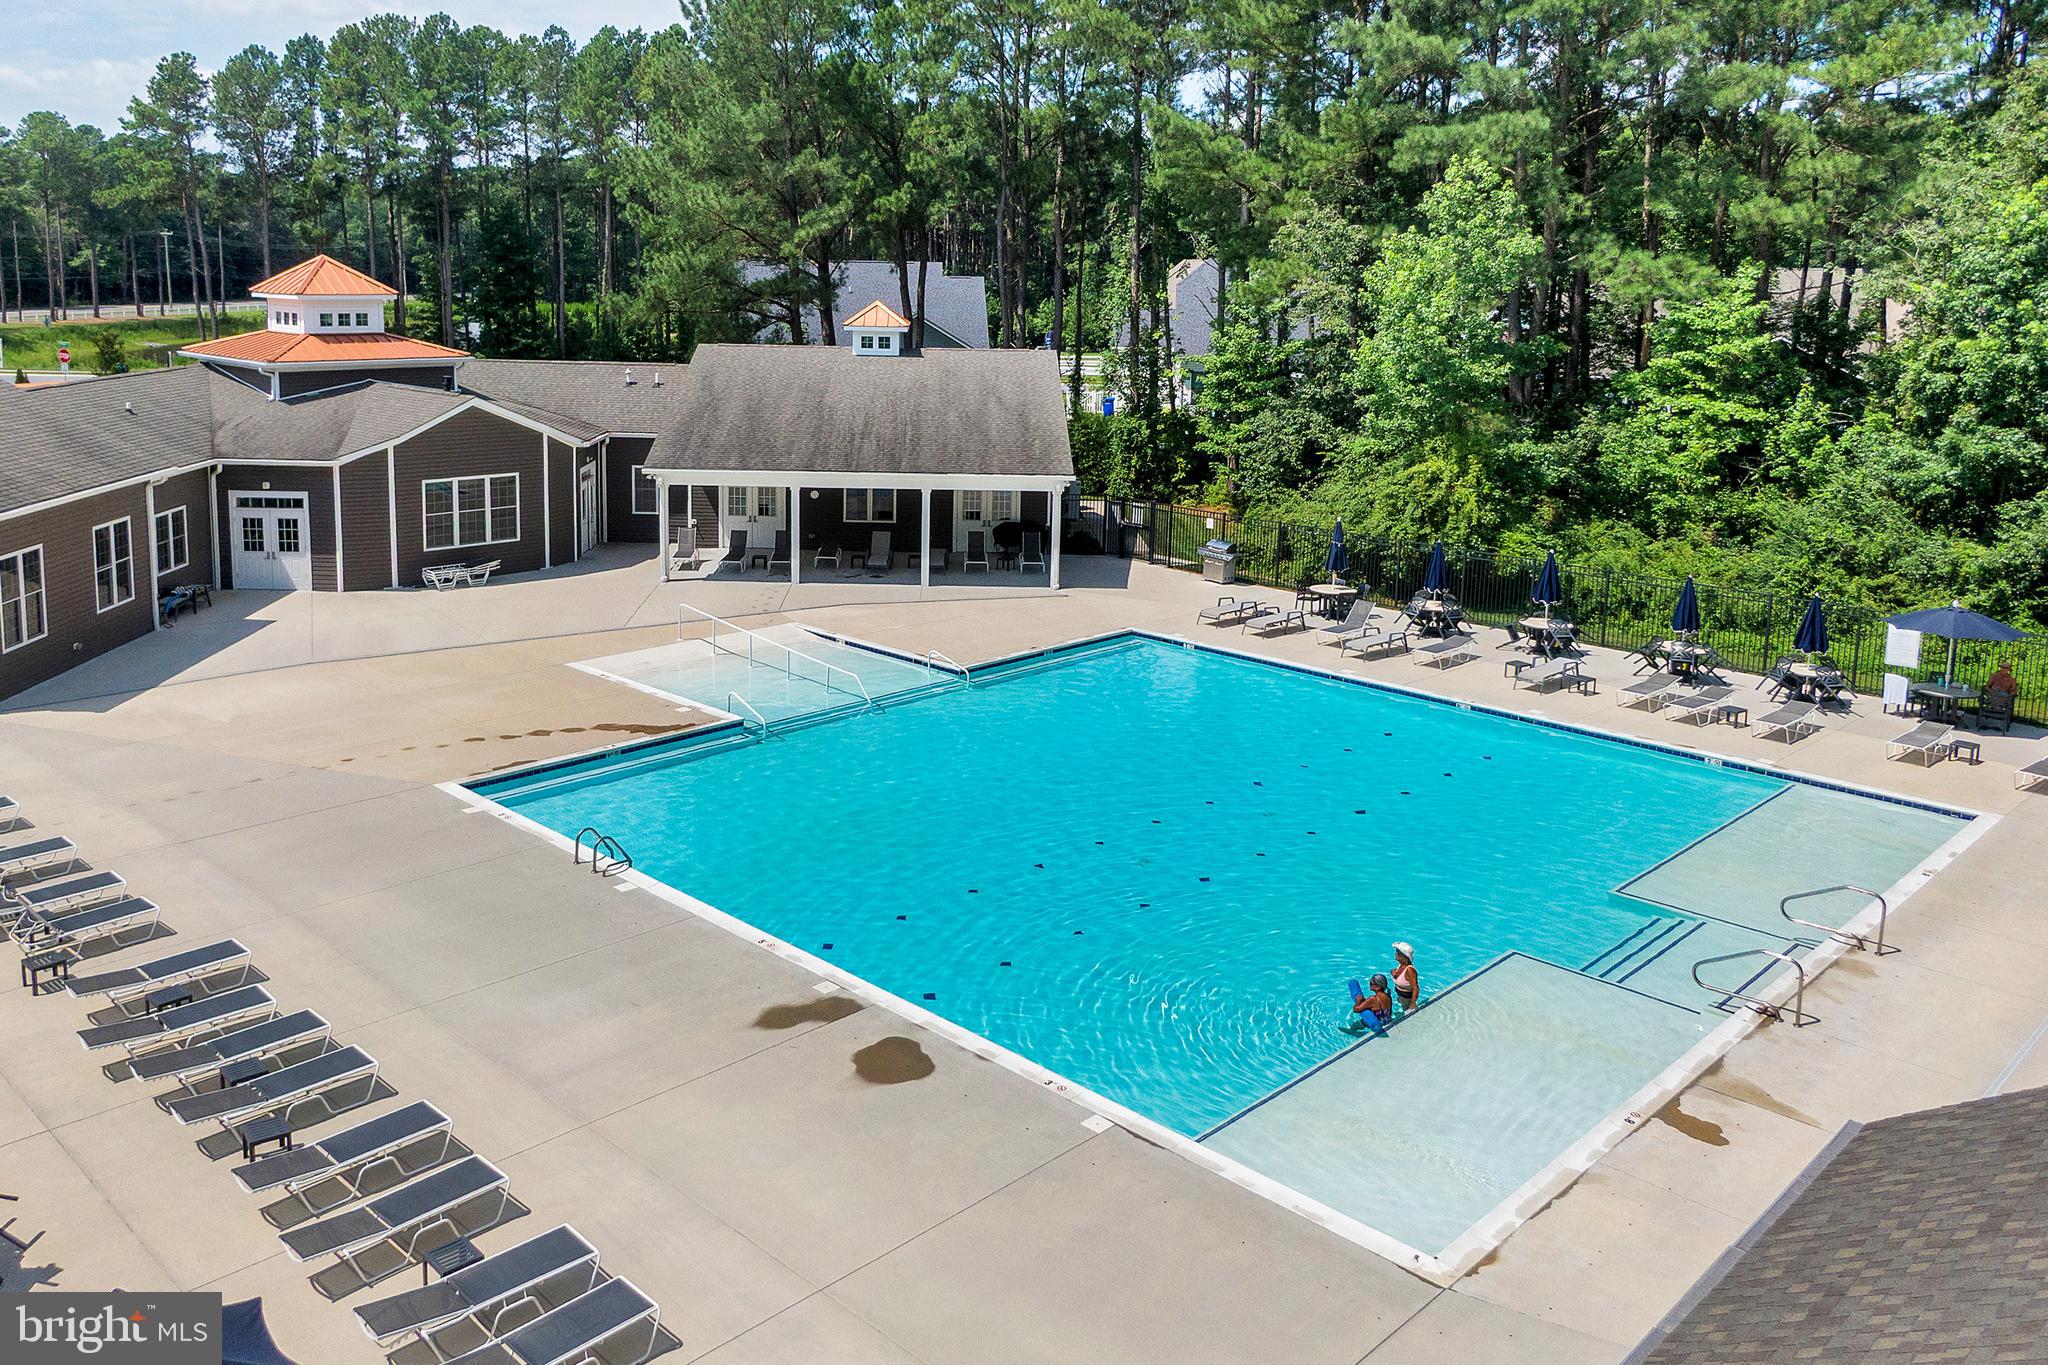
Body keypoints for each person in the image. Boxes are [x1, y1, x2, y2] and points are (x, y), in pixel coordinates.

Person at [1392, 942, 1420, 1014]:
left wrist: (1412, 1004)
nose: (1395, 954)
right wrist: (1393, 972)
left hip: (1407, 999)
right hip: (1401, 996)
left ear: (1405, 957)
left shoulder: (1410, 970)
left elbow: (1416, 988)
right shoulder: (1401, 965)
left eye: (1398, 953)